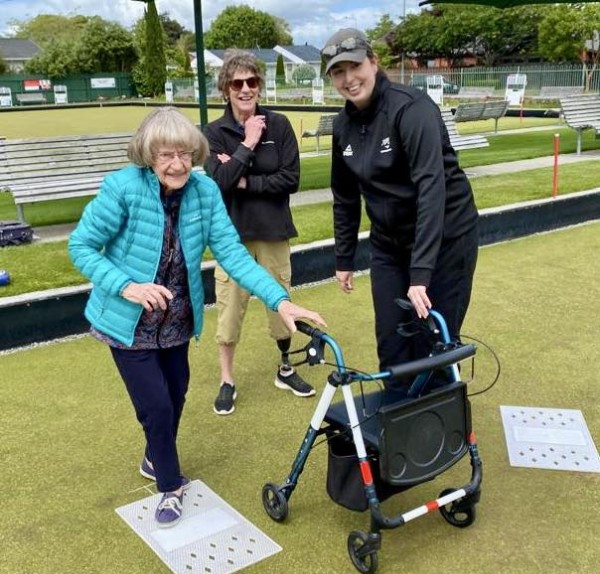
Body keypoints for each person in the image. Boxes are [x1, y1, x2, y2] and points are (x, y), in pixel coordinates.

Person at [68, 107, 325, 528]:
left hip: (175, 319)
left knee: (176, 394)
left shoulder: (204, 192)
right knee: (156, 406)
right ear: (148, 156)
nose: (178, 164)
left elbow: (233, 255)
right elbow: (81, 247)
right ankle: (170, 486)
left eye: (186, 154)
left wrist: (279, 300)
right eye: (167, 155)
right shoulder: (121, 189)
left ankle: (155, 454)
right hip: (125, 320)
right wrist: (127, 286)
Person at [322, 28, 479, 389]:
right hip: (388, 245)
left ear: (373, 62)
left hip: (445, 239)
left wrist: (420, 274)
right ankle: (399, 425)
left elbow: (431, 188)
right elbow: (345, 196)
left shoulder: (412, 108)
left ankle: (440, 434)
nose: (348, 79)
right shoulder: (343, 126)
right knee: (392, 340)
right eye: (337, 72)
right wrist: (344, 258)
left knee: (434, 341)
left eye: (354, 66)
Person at [203, 50, 315, 416]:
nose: (246, 89)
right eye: (238, 83)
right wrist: (248, 142)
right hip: (230, 237)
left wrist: (244, 176)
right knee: (229, 309)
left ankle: (285, 367)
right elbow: (219, 180)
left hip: (273, 231)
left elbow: (291, 179)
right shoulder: (214, 133)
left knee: (278, 302)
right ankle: (227, 379)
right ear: (226, 89)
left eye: (252, 82)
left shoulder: (279, 125)